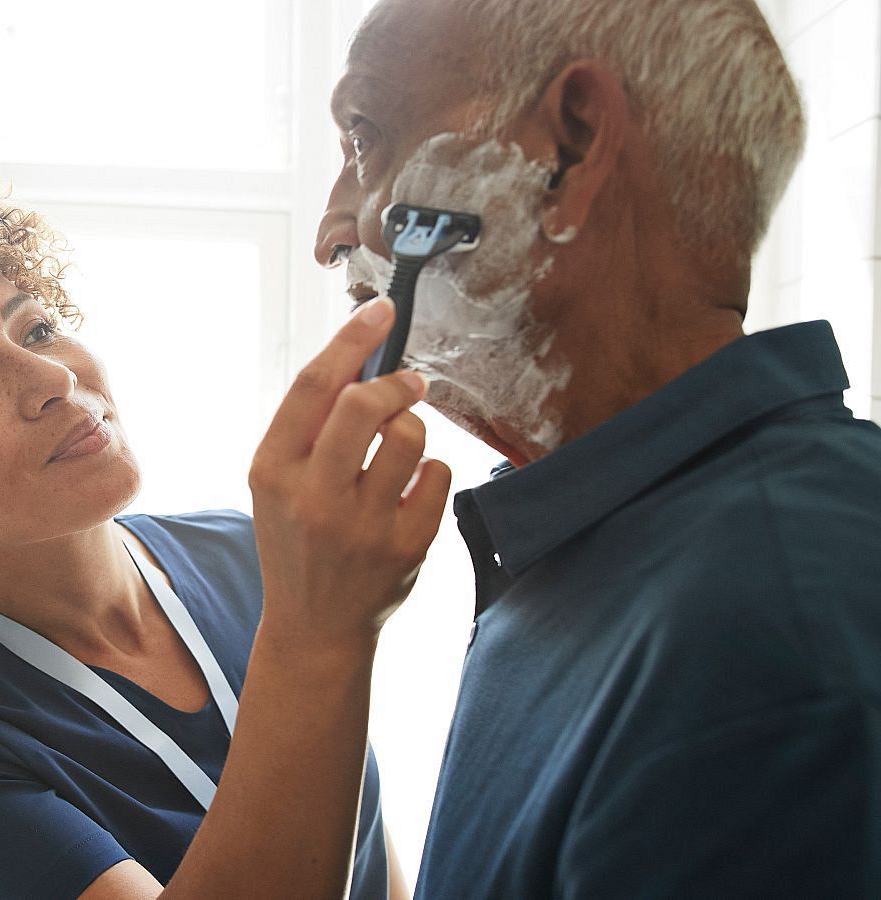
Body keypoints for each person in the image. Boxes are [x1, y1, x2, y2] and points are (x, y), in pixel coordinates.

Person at [0, 159, 451, 899]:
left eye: (37, 328)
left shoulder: (251, 553)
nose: (53, 380)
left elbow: (363, 844)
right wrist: (322, 632)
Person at [316, 0, 881, 895]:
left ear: (571, 149)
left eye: (364, 139)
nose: (332, 232)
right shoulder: (591, 538)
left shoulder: (768, 641)